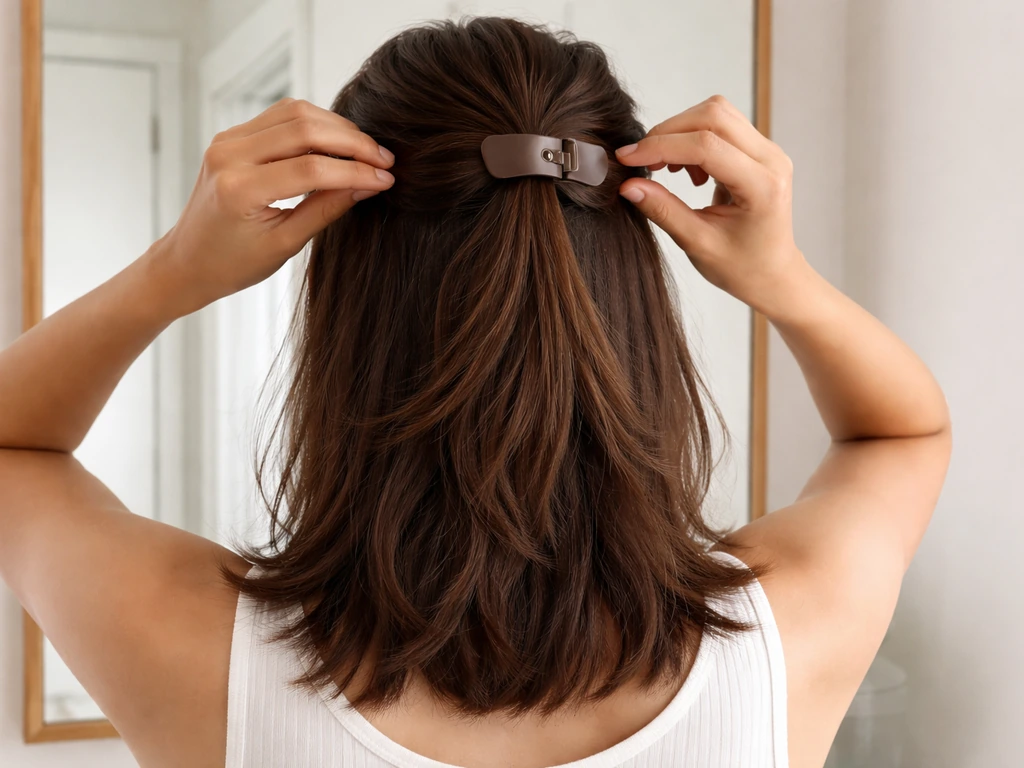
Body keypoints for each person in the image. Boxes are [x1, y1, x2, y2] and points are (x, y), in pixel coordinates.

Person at [0, 16, 950, 768]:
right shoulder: (787, 634)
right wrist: (781, 274)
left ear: (346, 306)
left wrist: (177, 267)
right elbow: (898, 436)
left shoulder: (193, 650)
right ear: (633, 292)